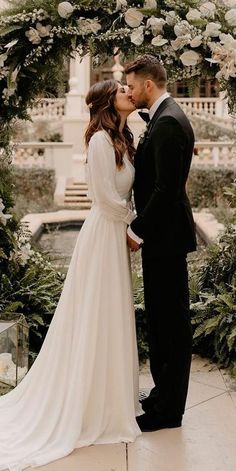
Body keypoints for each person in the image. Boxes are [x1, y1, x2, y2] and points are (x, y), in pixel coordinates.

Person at [0, 79, 142, 471]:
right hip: (104, 235)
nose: (128, 93)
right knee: (97, 312)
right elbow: (106, 197)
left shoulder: (124, 136)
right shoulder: (99, 141)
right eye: (121, 90)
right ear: (106, 102)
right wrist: (132, 227)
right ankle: (90, 402)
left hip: (114, 235)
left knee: (112, 314)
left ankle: (111, 398)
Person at [125, 55, 197, 432]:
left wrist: (138, 230)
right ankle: (162, 396)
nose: (130, 92)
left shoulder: (168, 122)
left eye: (132, 86)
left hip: (164, 239)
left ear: (148, 85)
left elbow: (167, 189)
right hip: (165, 239)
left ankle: (168, 411)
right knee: (162, 320)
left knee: (169, 325)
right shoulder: (166, 116)